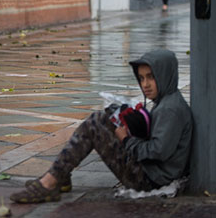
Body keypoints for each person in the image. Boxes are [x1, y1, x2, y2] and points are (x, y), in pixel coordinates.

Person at [10, 49, 192, 204]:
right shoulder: (167, 102)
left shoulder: (170, 109)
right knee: (104, 118)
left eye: (151, 77)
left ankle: (53, 180)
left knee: (95, 124)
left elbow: (157, 151)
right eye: (142, 78)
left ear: (165, 75)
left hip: (148, 179)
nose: (145, 84)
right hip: (150, 172)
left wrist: (126, 139)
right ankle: (60, 175)